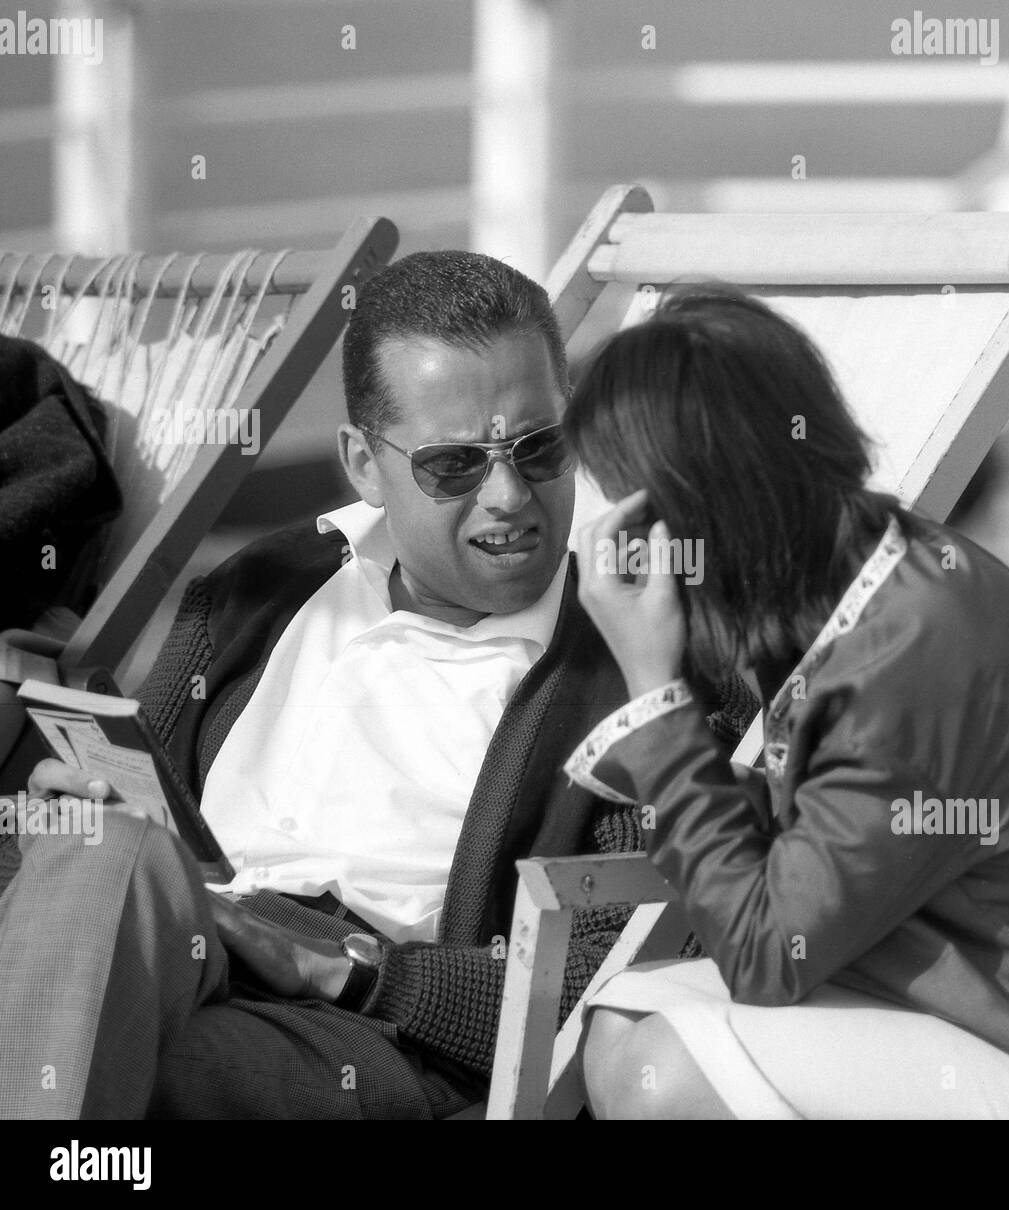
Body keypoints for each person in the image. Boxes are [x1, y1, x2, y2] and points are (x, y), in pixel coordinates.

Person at [0, 252, 753, 1119]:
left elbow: (610, 984)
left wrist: (348, 967)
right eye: (454, 465)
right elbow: (148, 826)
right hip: (179, 944)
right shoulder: (262, 590)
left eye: (540, 448)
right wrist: (60, 811)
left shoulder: (645, 665)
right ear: (364, 462)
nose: (509, 495)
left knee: (128, 1065)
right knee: (100, 846)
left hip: (369, 1035)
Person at [563, 285, 1009, 1120]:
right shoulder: (877, 570)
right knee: (624, 1022)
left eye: (626, 502)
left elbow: (770, 950)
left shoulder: (902, 660)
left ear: (689, 512)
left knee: (661, 1072)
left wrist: (656, 701)